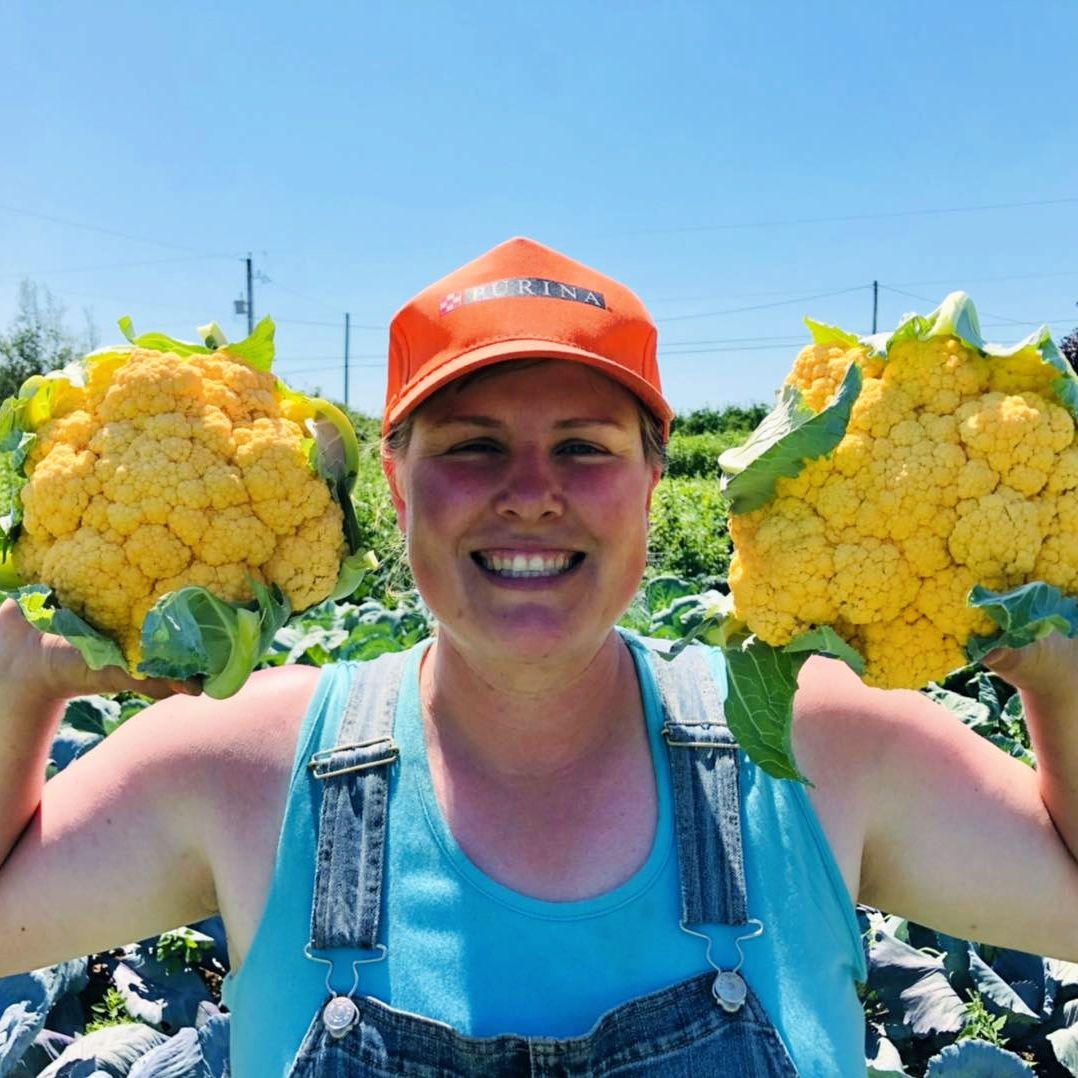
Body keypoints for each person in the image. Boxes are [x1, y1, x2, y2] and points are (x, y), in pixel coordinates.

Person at [0, 236, 1075, 1076]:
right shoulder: (242, 766)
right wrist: (26, 683)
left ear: (654, 482)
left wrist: (1053, 656)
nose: (530, 492)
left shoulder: (818, 750)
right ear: (396, 483)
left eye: (583, 447)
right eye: (473, 445)